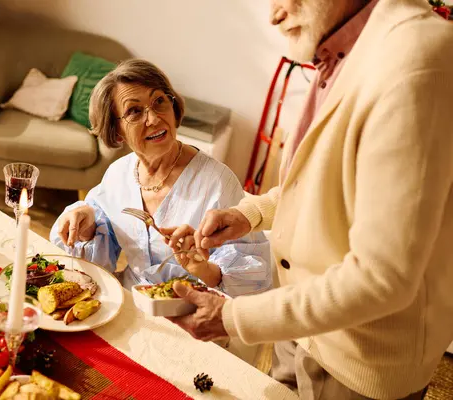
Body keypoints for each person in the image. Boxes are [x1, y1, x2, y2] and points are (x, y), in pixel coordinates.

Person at [167, 0, 453, 399]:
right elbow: (321, 185)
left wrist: (231, 317)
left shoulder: (415, 59)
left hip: (359, 363)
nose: (274, 14)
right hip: (302, 331)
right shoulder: (341, 53)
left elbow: (382, 279)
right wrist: (248, 214)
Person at [50, 59, 272, 298]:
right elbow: (97, 258)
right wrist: (86, 225)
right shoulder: (118, 175)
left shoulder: (217, 182)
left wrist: (201, 268)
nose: (154, 119)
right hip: (132, 300)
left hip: (196, 310)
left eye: (159, 102)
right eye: (134, 111)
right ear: (116, 132)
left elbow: (252, 277)